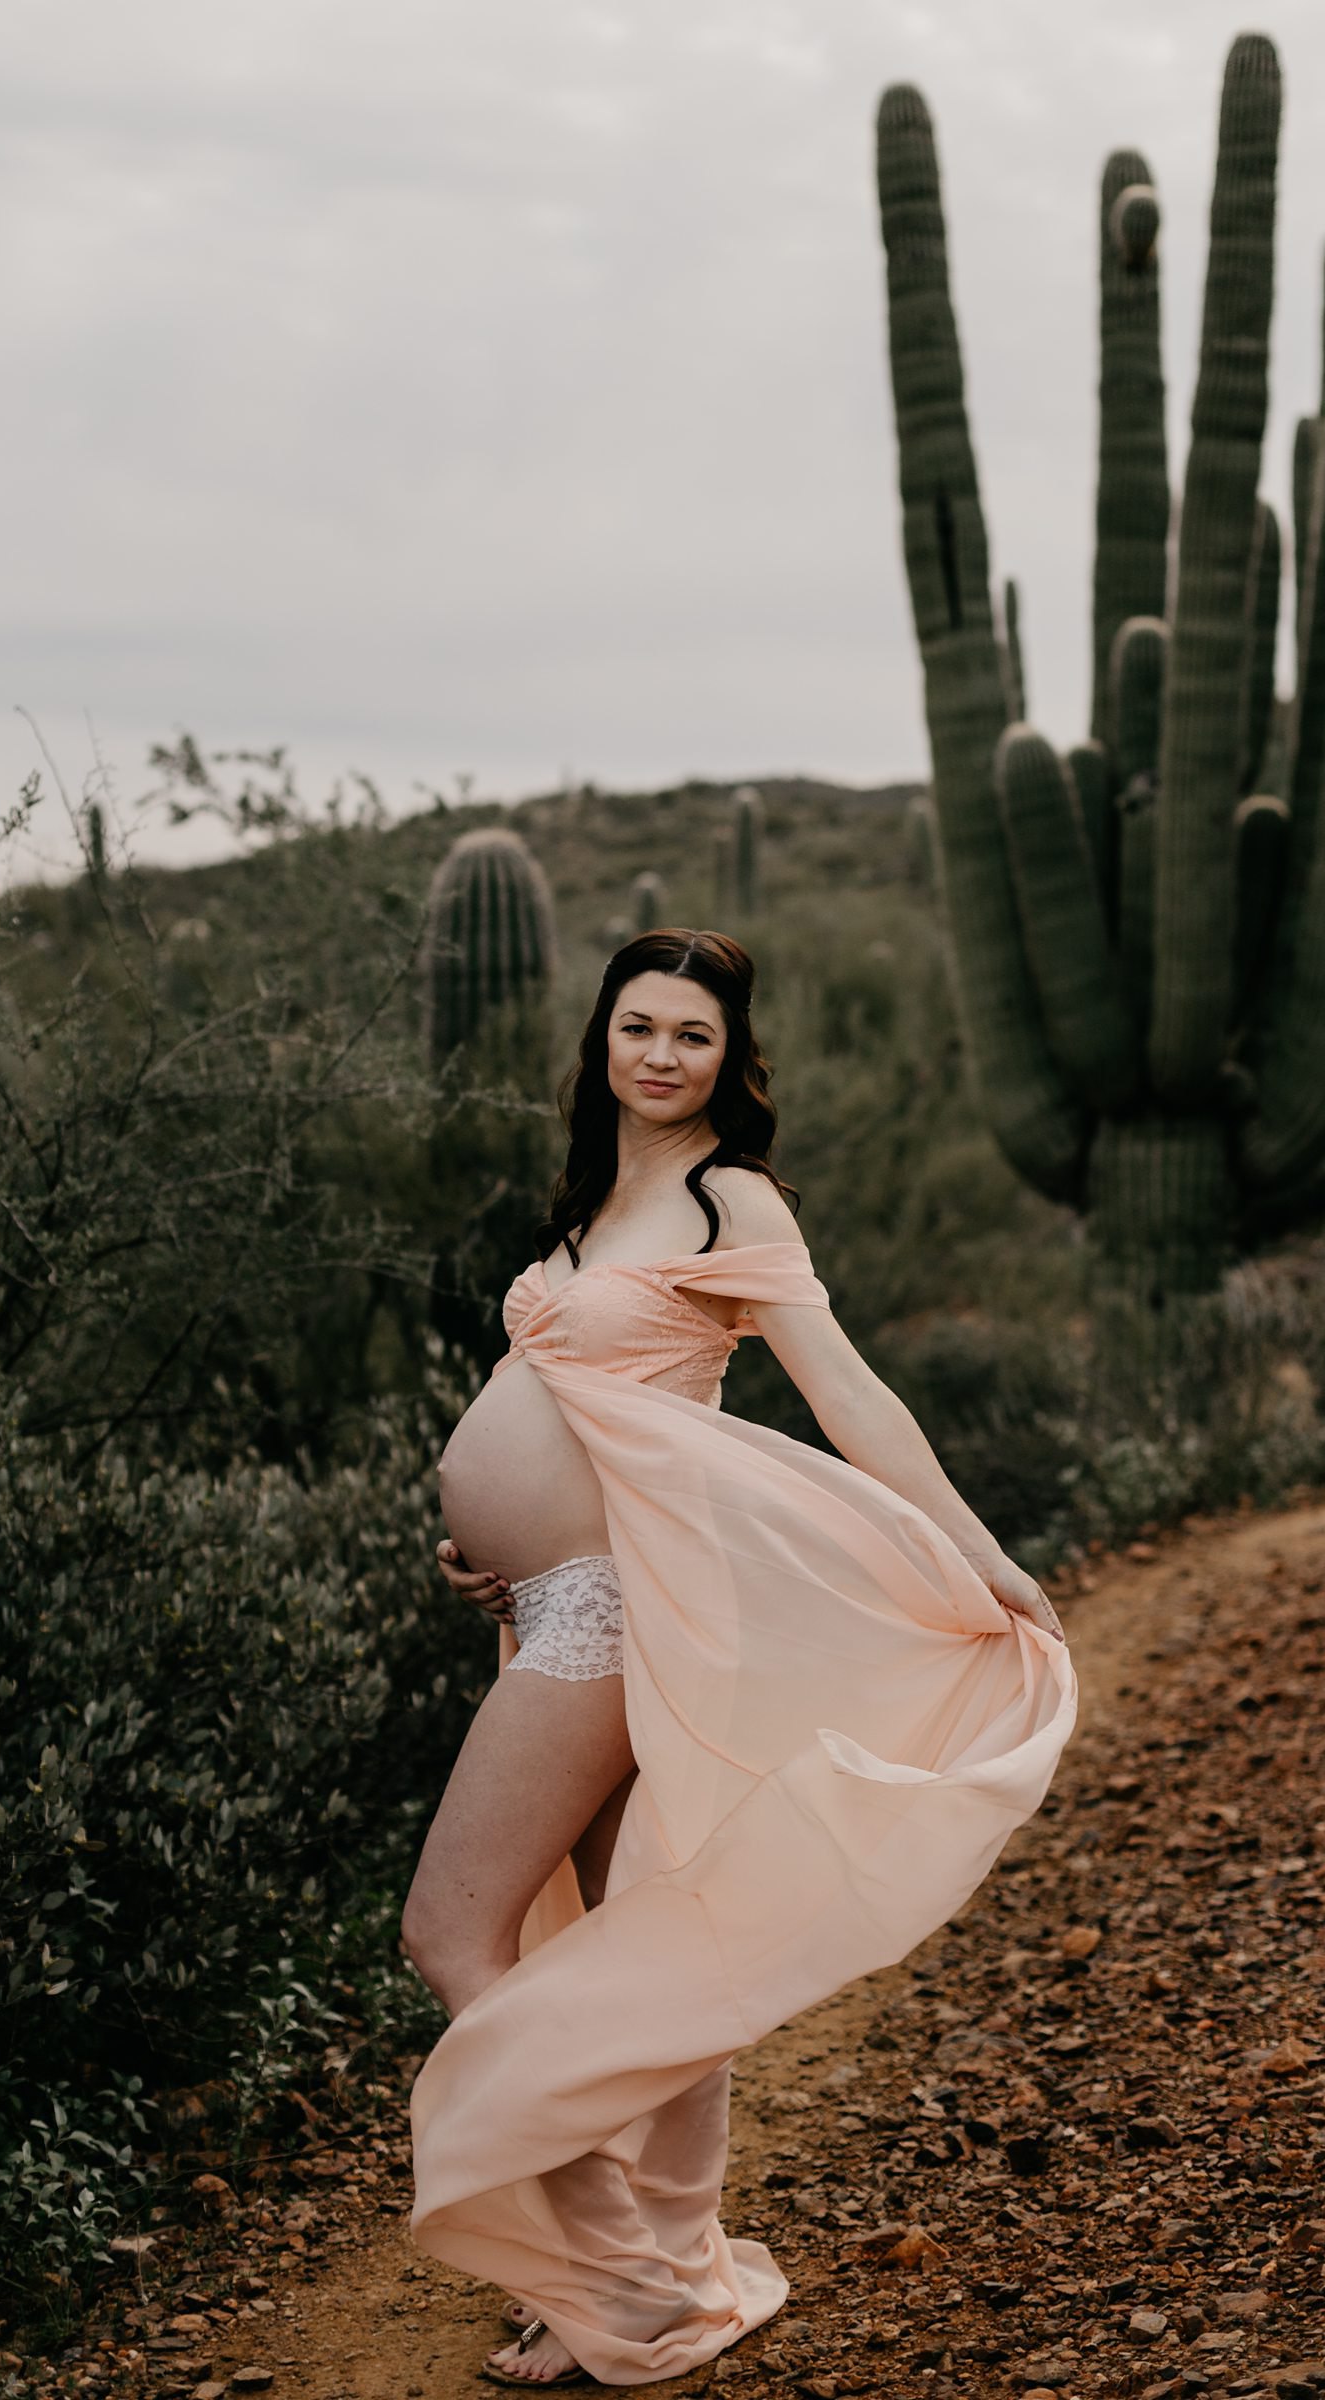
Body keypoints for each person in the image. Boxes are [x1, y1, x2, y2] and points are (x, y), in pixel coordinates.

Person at [402, 927, 1077, 2388]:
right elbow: (563, 1402)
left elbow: (856, 1402)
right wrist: (491, 1551)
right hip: (549, 1594)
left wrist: (982, 1557)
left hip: (614, 1609)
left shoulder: (731, 1200)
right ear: (602, 1042)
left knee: (450, 1934)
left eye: (690, 1035)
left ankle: (624, 2292)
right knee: (648, 1927)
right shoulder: (597, 1198)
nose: (658, 1054)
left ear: (730, 1056)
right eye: (635, 1027)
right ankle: (666, 2263)